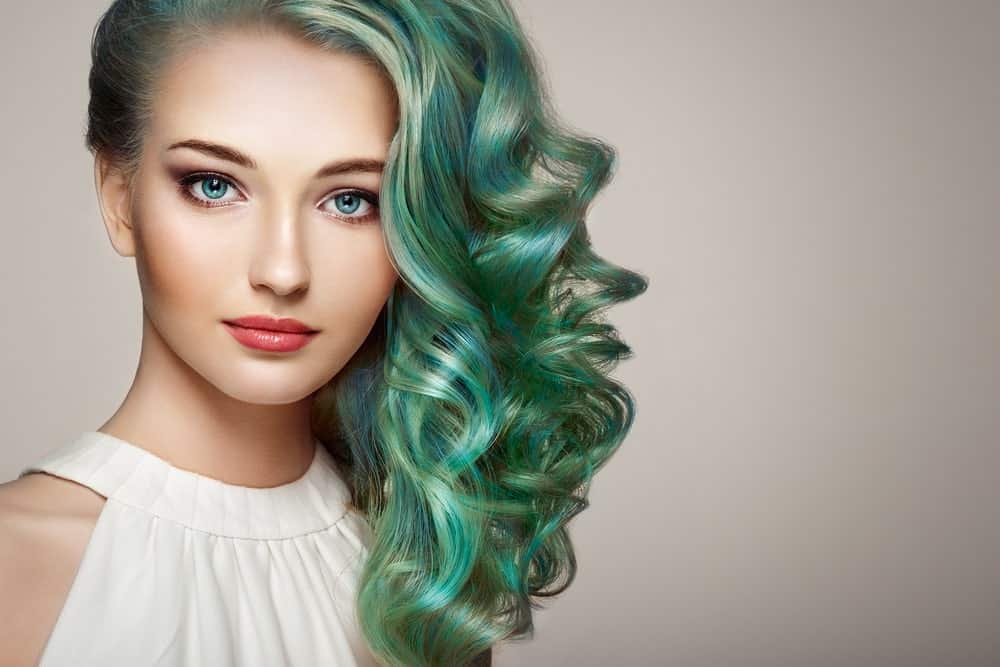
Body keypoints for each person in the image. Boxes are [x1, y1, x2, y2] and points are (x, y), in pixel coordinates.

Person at [0, 1, 648, 665]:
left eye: (351, 200)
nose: (283, 270)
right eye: (214, 185)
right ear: (118, 198)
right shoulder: (14, 567)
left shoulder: (423, 587)